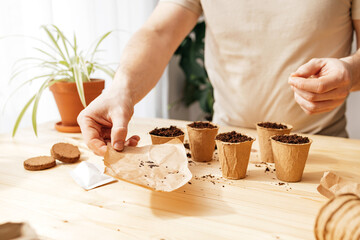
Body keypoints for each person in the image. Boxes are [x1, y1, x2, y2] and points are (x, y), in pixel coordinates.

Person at [77, 0, 360, 156]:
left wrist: (351, 71)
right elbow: (159, 34)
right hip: (225, 147)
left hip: (320, 148)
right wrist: (121, 90)